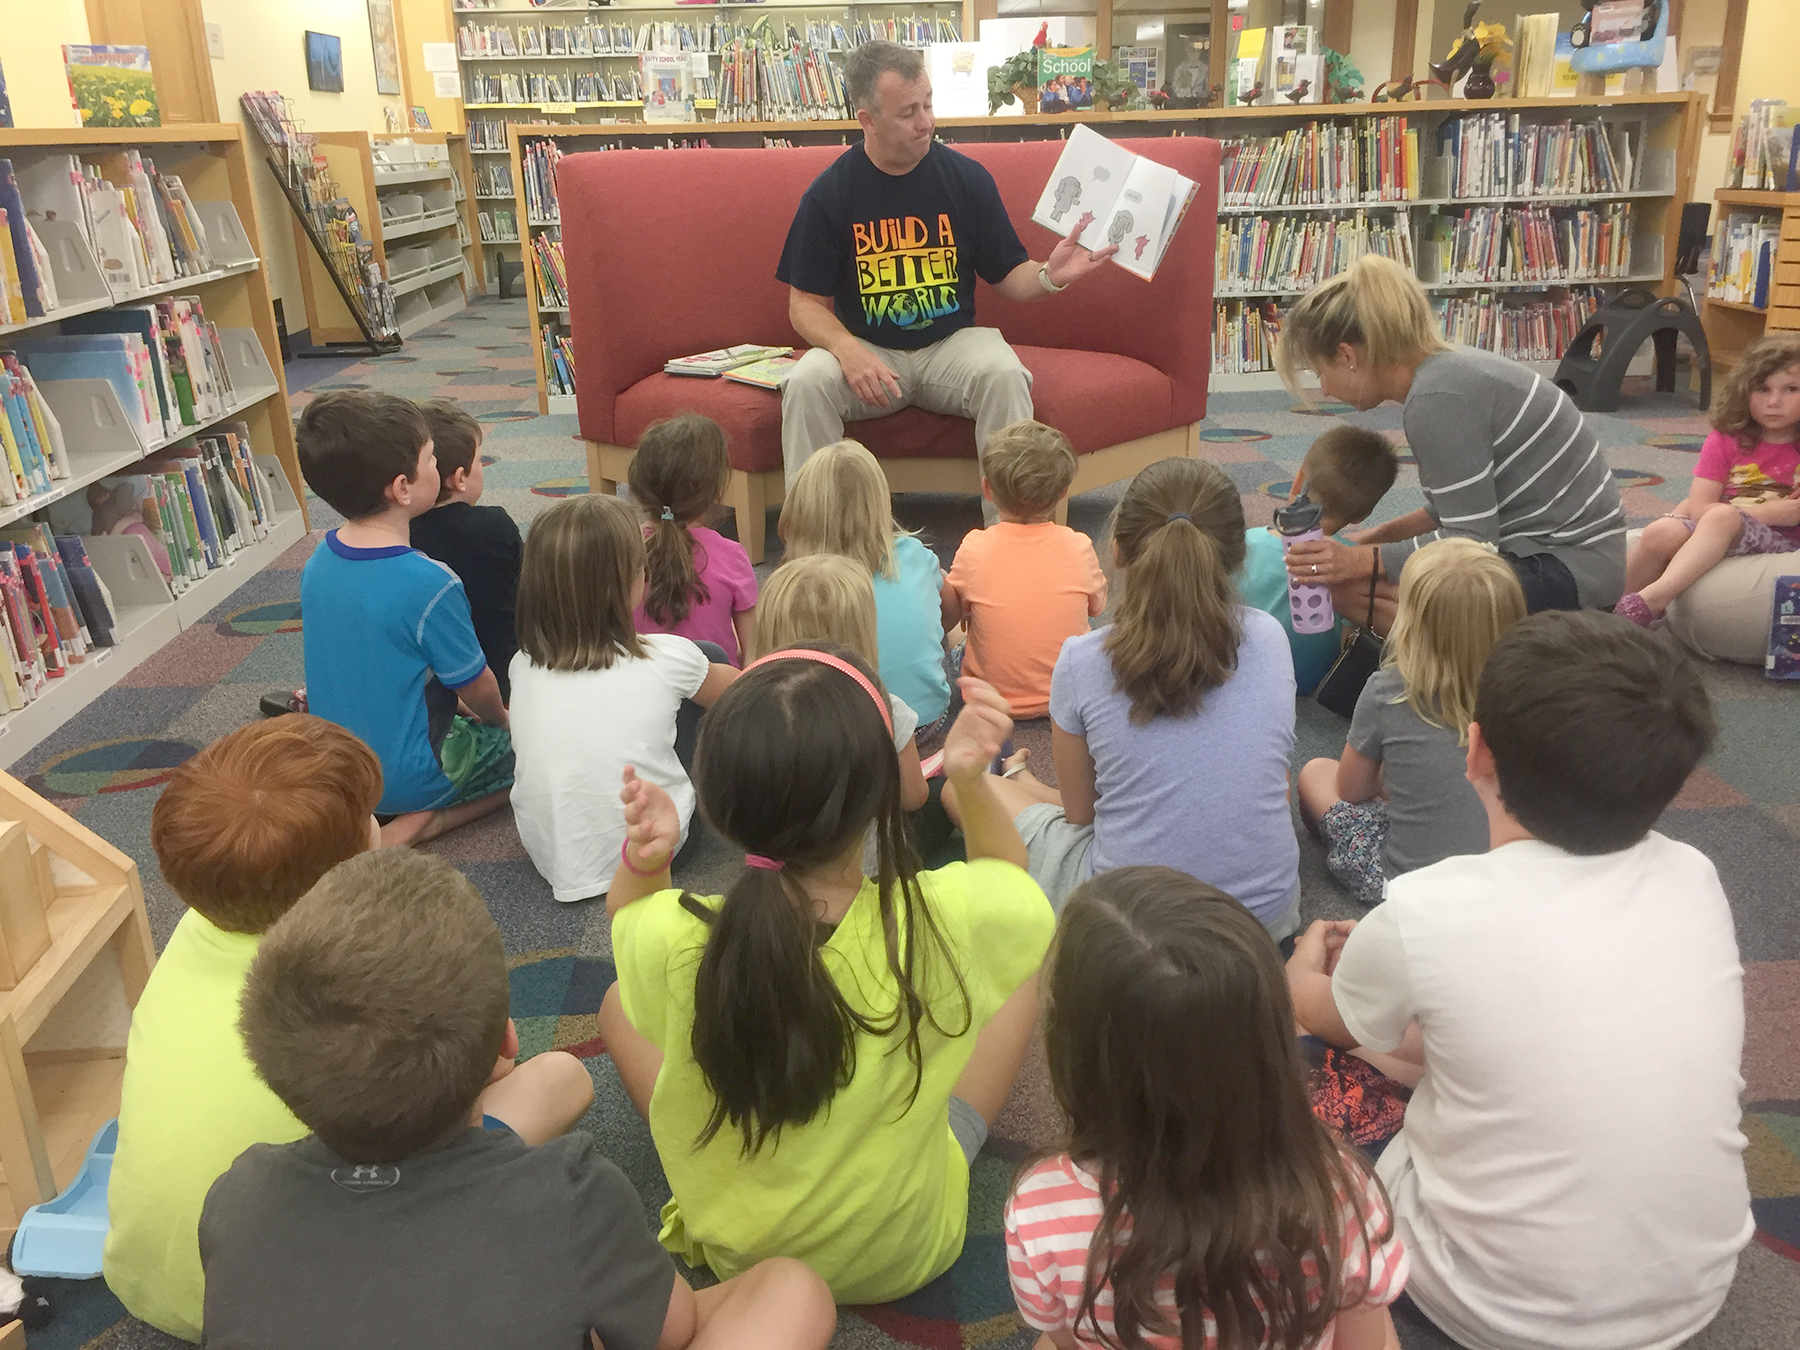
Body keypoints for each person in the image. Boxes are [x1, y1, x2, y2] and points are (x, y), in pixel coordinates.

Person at [1287, 611, 1753, 1350]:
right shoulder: (1695, 877)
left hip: (1486, 1302)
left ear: (1473, 750)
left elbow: (1321, 1013)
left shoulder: (1428, 907)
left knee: (1290, 1060)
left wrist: (1299, 964)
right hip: (1694, 1285)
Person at [201, 849, 831, 1350]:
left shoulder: (238, 1196)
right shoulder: (569, 1193)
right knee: (793, 1291)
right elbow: (673, 1330)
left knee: (560, 1081)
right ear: (507, 1038)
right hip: (555, 1240)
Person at [597, 650, 1053, 1304]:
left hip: (743, 1261)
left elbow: (630, 919)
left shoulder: (678, 939)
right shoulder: (940, 922)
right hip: (905, 1252)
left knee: (620, 1001)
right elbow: (1010, 880)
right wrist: (970, 781)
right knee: (1015, 967)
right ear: (877, 798)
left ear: (722, 806)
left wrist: (647, 859)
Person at [1006, 866, 1407, 1350]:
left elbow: (1067, 1340)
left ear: (1072, 1057)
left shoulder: (1040, 1206)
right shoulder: (1336, 1185)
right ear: (1271, 1046)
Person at [103, 717, 379, 1342]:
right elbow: (479, 1076)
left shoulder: (194, 928)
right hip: (307, 1316)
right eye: (370, 817)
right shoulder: (362, 975)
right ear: (349, 872)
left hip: (148, 1285)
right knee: (555, 1082)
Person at [948, 456, 1301, 937]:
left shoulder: (1083, 660)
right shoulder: (1270, 638)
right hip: (1266, 922)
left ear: (1115, 550)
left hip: (1130, 927)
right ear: (1237, 557)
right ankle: (1024, 781)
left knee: (960, 789)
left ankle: (1017, 781)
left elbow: (1081, 814)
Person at [776, 40, 1117, 495]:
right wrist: (844, 347)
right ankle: (815, 544)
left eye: (929, 103)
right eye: (908, 112)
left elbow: (1008, 275)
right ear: (867, 119)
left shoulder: (967, 179)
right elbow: (804, 304)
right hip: (870, 349)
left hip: (951, 346)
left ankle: (1011, 535)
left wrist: (1047, 276)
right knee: (804, 383)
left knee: (1005, 373)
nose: (927, 121)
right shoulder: (829, 194)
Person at [1274, 254, 1627, 614]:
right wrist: (1368, 542)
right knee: (1376, 573)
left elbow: (1470, 542)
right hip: (1573, 555)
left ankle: (1437, 668)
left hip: (1569, 572)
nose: (1325, 390)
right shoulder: (1444, 373)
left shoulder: (1437, 400)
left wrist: (1359, 561)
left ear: (1347, 355)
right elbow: (1457, 506)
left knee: (1360, 592)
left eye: (1320, 372)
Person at [295, 390, 512, 848]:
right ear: (402, 488)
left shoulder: (318, 561)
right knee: (538, 753)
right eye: (431, 458)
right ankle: (417, 827)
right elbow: (477, 686)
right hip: (410, 777)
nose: (437, 466)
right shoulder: (431, 583)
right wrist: (504, 722)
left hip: (339, 770)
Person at [507, 494, 736, 902]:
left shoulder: (521, 663)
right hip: (654, 850)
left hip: (547, 854)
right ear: (632, 580)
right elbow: (746, 694)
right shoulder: (667, 655)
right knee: (709, 659)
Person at [1297, 538, 1527, 904]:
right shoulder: (1532, 692)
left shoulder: (1389, 689)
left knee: (1315, 772)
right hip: (1509, 880)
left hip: (1406, 889)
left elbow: (1351, 790)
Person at [1616, 331, 1800, 625]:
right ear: (1744, 391)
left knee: (1719, 517)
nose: (1774, 401)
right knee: (1660, 531)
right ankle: (1615, 612)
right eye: (1763, 389)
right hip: (1722, 526)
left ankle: (1653, 601)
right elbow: (1702, 506)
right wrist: (1771, 512)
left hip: (1782, 543)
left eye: (1791, 389)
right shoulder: (1726, 438)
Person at [780, 438, 952, 731]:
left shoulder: (796, 582)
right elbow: (952, 612)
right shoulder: (914, 553)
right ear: (881, 503)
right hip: (924, 722)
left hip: (843, 736)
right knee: (956, 632)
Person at [942, 419, 1107, 719]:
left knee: (958, 621)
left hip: (987, 702)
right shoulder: (1079, 545)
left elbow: (956, 611)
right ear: (1063, 491)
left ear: (987, 490)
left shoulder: (974, 546)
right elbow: (1097, 607)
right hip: (1069, 697)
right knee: (1084, 622)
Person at [755, 553, 929, 814]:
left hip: (779, 843)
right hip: (861, 851)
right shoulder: (886, 709)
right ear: (863, 635)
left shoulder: (750, 707)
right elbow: (913, 798)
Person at [1238, 423, 1397, 694]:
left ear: (1297, 481)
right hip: (1305, 682)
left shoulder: (1245, 542)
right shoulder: (1356, 570)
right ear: (1363, 515)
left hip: (1237, 671)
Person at [409, 398, 522, 701]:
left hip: (430, 686)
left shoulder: (399, 532)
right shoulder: (495, 526)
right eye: (480, 461)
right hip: (505, 676)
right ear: (460, 478)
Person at [629, 414, 759, 665]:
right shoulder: (731, 555)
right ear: (715, 488)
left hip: (642, 692)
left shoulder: (622, 550)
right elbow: (754, 653)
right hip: (716, 698)